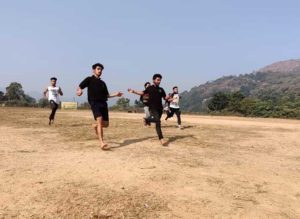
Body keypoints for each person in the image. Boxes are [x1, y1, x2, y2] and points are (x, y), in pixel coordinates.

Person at [76, 63, 123, 150]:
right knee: (100, 120)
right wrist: (79, 91)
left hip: (103, 103)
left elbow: (107, 95)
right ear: (93, 70)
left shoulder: (103, 83)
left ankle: (95, 126)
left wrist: (116, 94)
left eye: (101, 69)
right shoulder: (89, 79)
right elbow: (79, 87)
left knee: (105, 124)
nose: (100, 71)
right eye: (98, 69)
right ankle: (101, 143)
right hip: (94, 102)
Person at [128, 74, 170, 146]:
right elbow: (142, 93)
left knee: (157, 122)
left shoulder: (161, 89)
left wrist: (168, 97)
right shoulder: (149, 88)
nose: (159, 81)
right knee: (158, 121)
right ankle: (161, 139)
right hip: (153, 107)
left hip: (160, 108)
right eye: (158, 80)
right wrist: (134, 91)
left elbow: (165, 98)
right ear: (153, 80)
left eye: (160, 80)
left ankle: (147, 120)